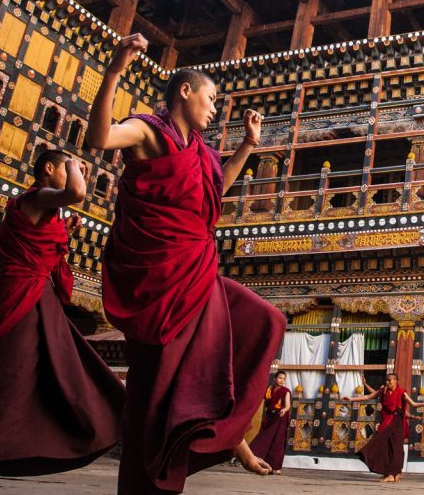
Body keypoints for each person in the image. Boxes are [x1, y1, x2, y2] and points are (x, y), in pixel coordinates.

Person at [87, 34, 287, 494]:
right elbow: (100, 138)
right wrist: (115, 70)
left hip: (196, 271)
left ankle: (224, 434)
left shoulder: (198, 150)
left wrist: (248, 144)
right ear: (185, 91)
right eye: (211, 98)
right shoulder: (148, 132)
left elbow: (216, 190)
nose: (215, 108)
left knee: (266, 320)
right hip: (158, 278)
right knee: (153, 389)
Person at [0, 151, 125, 495]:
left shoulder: (44, 209)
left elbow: (41, 246)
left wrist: (65, 230)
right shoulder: (35, 197)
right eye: (68, 167)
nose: (77, 172)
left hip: (36, 297)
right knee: (1, 379)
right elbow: (77, 193)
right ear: (49, 169)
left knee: (41, 377)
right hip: (21, 297)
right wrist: (77, 166)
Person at [343, 373, 424, 483]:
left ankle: (396, 474)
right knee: (383, 446)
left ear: (396, 381)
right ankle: (390, 474)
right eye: (386, 380)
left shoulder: (401, 392)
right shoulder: (383, 391)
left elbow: (413, 404)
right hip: (386, 422)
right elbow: (368, 396)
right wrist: (351, 399)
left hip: (397, 423)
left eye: (390, 380)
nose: (387, 382)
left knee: (397, 449)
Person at [248, 371, 293, 476]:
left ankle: (277, 468)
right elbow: (262, 400)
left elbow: (288, 405)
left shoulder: (285, 391)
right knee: (265, 438)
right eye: (280, 378)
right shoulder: (269, 390)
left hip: (280, 417)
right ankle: (262, 462)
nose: (282, 380)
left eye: (283, 379)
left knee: (277, 442)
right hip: (269, 417)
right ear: (275, 379)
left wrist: (284, 410)